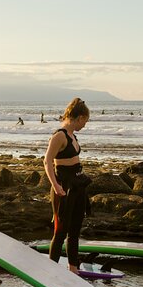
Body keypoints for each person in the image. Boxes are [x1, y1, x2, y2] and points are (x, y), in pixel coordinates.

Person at [43, 98, 91, 274]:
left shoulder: (73, 136)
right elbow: (47, 162)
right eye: (84, 121)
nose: (85, 125)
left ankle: (73, 269)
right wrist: (55, 185)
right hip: (63, 187)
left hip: (78, 186)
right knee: (60, 232)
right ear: (78, 117)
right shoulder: (59, 136)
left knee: (75, 232)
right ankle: (51, 271)